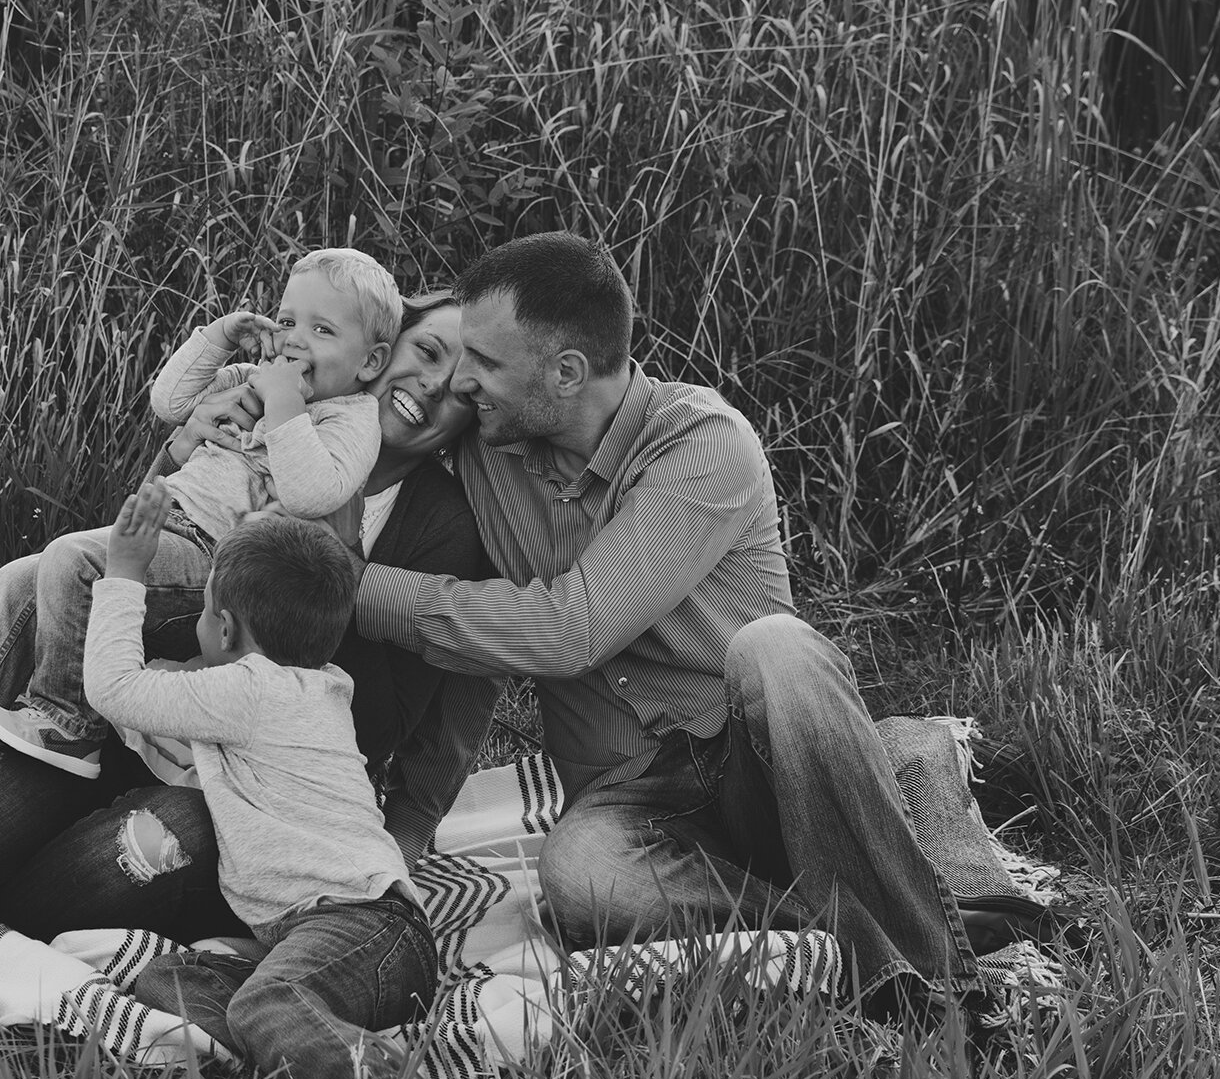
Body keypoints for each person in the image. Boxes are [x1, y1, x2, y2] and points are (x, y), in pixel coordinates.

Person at [351, 231, 989, 1009]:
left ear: (565, 372)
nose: (462, 378)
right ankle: (858, 935)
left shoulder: (700, 444)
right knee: (579, 874)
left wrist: (352, 587)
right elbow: (365, 399)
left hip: (762, 768)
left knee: (777, 649)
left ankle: (939, 985)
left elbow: (569, 632)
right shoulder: (486, 451)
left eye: (484, 362)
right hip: (637, 802)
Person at [0, 296, 482, 945]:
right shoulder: (266, 410)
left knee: (144, 851)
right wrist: (180, 446)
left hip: (225, 780)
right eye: (427, 352)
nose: (430, 387)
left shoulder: (439, 525)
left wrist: (334, 556)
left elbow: (380, 719)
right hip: (98, 711)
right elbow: (139, 549)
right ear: (379, 354)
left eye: (459, 390)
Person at [0, 246, 401, 781]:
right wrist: (220, 337)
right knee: (27, 571)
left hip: (218, 563)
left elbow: (312, 493)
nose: (295, 339)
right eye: (286, 319)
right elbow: (169, 403)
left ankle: (66, 722)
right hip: (170, 529)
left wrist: (284, 405)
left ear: (371, 361)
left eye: (323, 330)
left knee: (75, 560)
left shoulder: (351, 421)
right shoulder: (251, 379)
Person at [83, 495, 435, 1079]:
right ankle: (332, 1044)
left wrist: (125, 574)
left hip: (364, 927)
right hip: (351, 947)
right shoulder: (314, 686)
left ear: (223, 629)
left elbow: (113, 688)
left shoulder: (253, 689)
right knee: (168, 983)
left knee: (262, 1004)